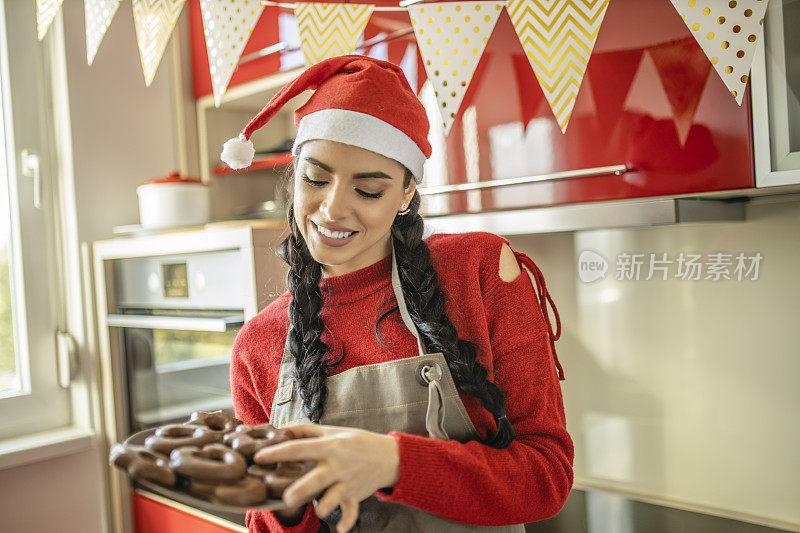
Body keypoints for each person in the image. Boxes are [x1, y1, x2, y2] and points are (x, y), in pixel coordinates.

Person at [221, 55, 573, 533]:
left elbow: (545, 476)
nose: (332, 208)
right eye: (315, 178)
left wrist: (393, 462)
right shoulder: (258, 344)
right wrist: (278, 495)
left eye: (368, 190)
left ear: (406, 192)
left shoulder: (479, 271)